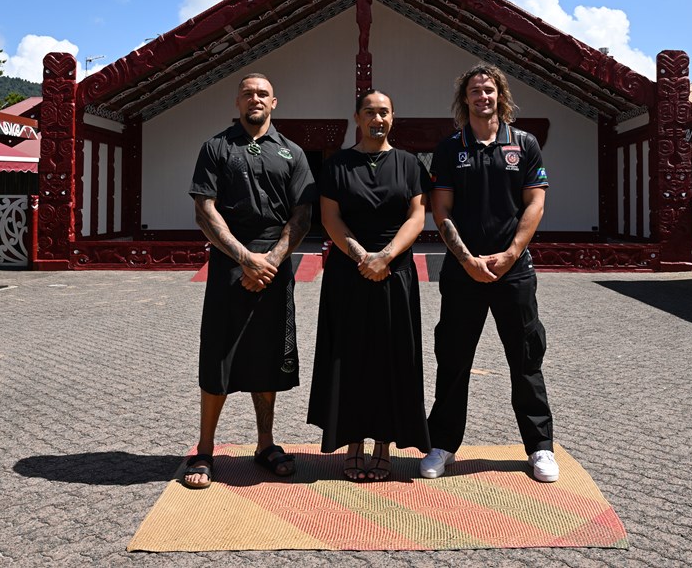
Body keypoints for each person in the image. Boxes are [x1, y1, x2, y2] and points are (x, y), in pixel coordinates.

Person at [420, 64, 559, 483]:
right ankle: (441, 445)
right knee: (453, 360)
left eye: (490, 90)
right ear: (465, 99)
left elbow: (534, 203)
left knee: (526, 360)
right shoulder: (450, 148)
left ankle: (539, 448)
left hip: (513, 272)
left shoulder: (525, 144)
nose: (483, 97)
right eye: (475, 91)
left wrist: (512, 253)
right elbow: (441, 210)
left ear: (501, 96)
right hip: (464, 272)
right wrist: (467, 260)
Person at [183, 73, 316, 488]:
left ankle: (265, 443)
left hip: (275, 264)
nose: (254, 99)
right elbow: (205, 210)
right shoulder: (217, 147)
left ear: (274, 102)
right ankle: (204, 449)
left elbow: (303, 214)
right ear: (237, 102)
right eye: (247, 93)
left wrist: (271, 260)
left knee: (267, 354)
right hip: (228, 261)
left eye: (262, 93)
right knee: (218, 353)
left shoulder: (292, 153)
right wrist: (244, 258)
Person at [307, 89, 430, 481]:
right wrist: (363, 256)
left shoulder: (409, 164)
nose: (377, 119)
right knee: (350, 356)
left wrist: (386, 256)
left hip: (396, 275)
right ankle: (353, 442)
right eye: (370, 112)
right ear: (357, 118)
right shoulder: (338, 165)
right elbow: (330, 218)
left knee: (392, 358)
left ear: (393, 117)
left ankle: (383, 444)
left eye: (385, 113)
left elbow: (417, 216)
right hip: (349, 273)